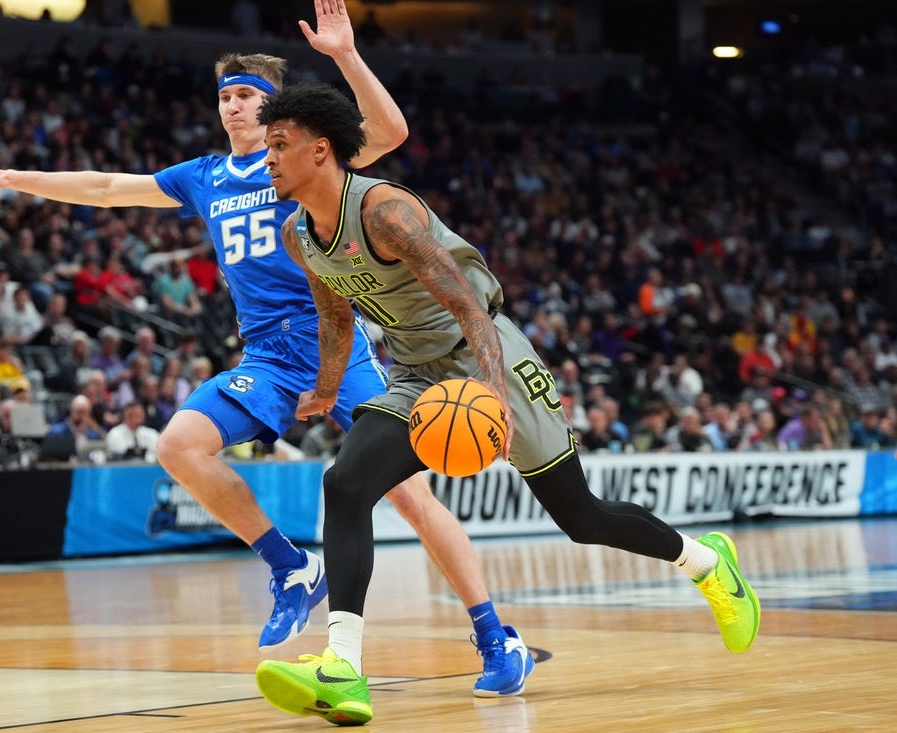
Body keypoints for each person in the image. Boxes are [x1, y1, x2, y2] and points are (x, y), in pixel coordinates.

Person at [0, 0, 530, 696]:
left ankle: (496, 635)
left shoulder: (305, 161)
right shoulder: (205, 176)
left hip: (336, 346)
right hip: (267, 356)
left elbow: (392, 130)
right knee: (177, 446)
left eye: (247, 94)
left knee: (410, 498)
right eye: (224, 96)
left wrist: (345, 55)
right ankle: (289, 566)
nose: (232, 106)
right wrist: (16, 181)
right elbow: (107, 188)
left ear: (276, 108)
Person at [252, 82, 761, 725]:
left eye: (278, 145)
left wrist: (492, 387)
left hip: (488, 353)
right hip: (414, 371)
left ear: (320, 150)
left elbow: (467, 304)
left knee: (582, 518)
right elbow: (336, 316)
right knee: (346, 482)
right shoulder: (300, 234)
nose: (265, 158)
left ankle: (708, 562)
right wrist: (326, 389)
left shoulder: (385, 211)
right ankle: (342, 667)